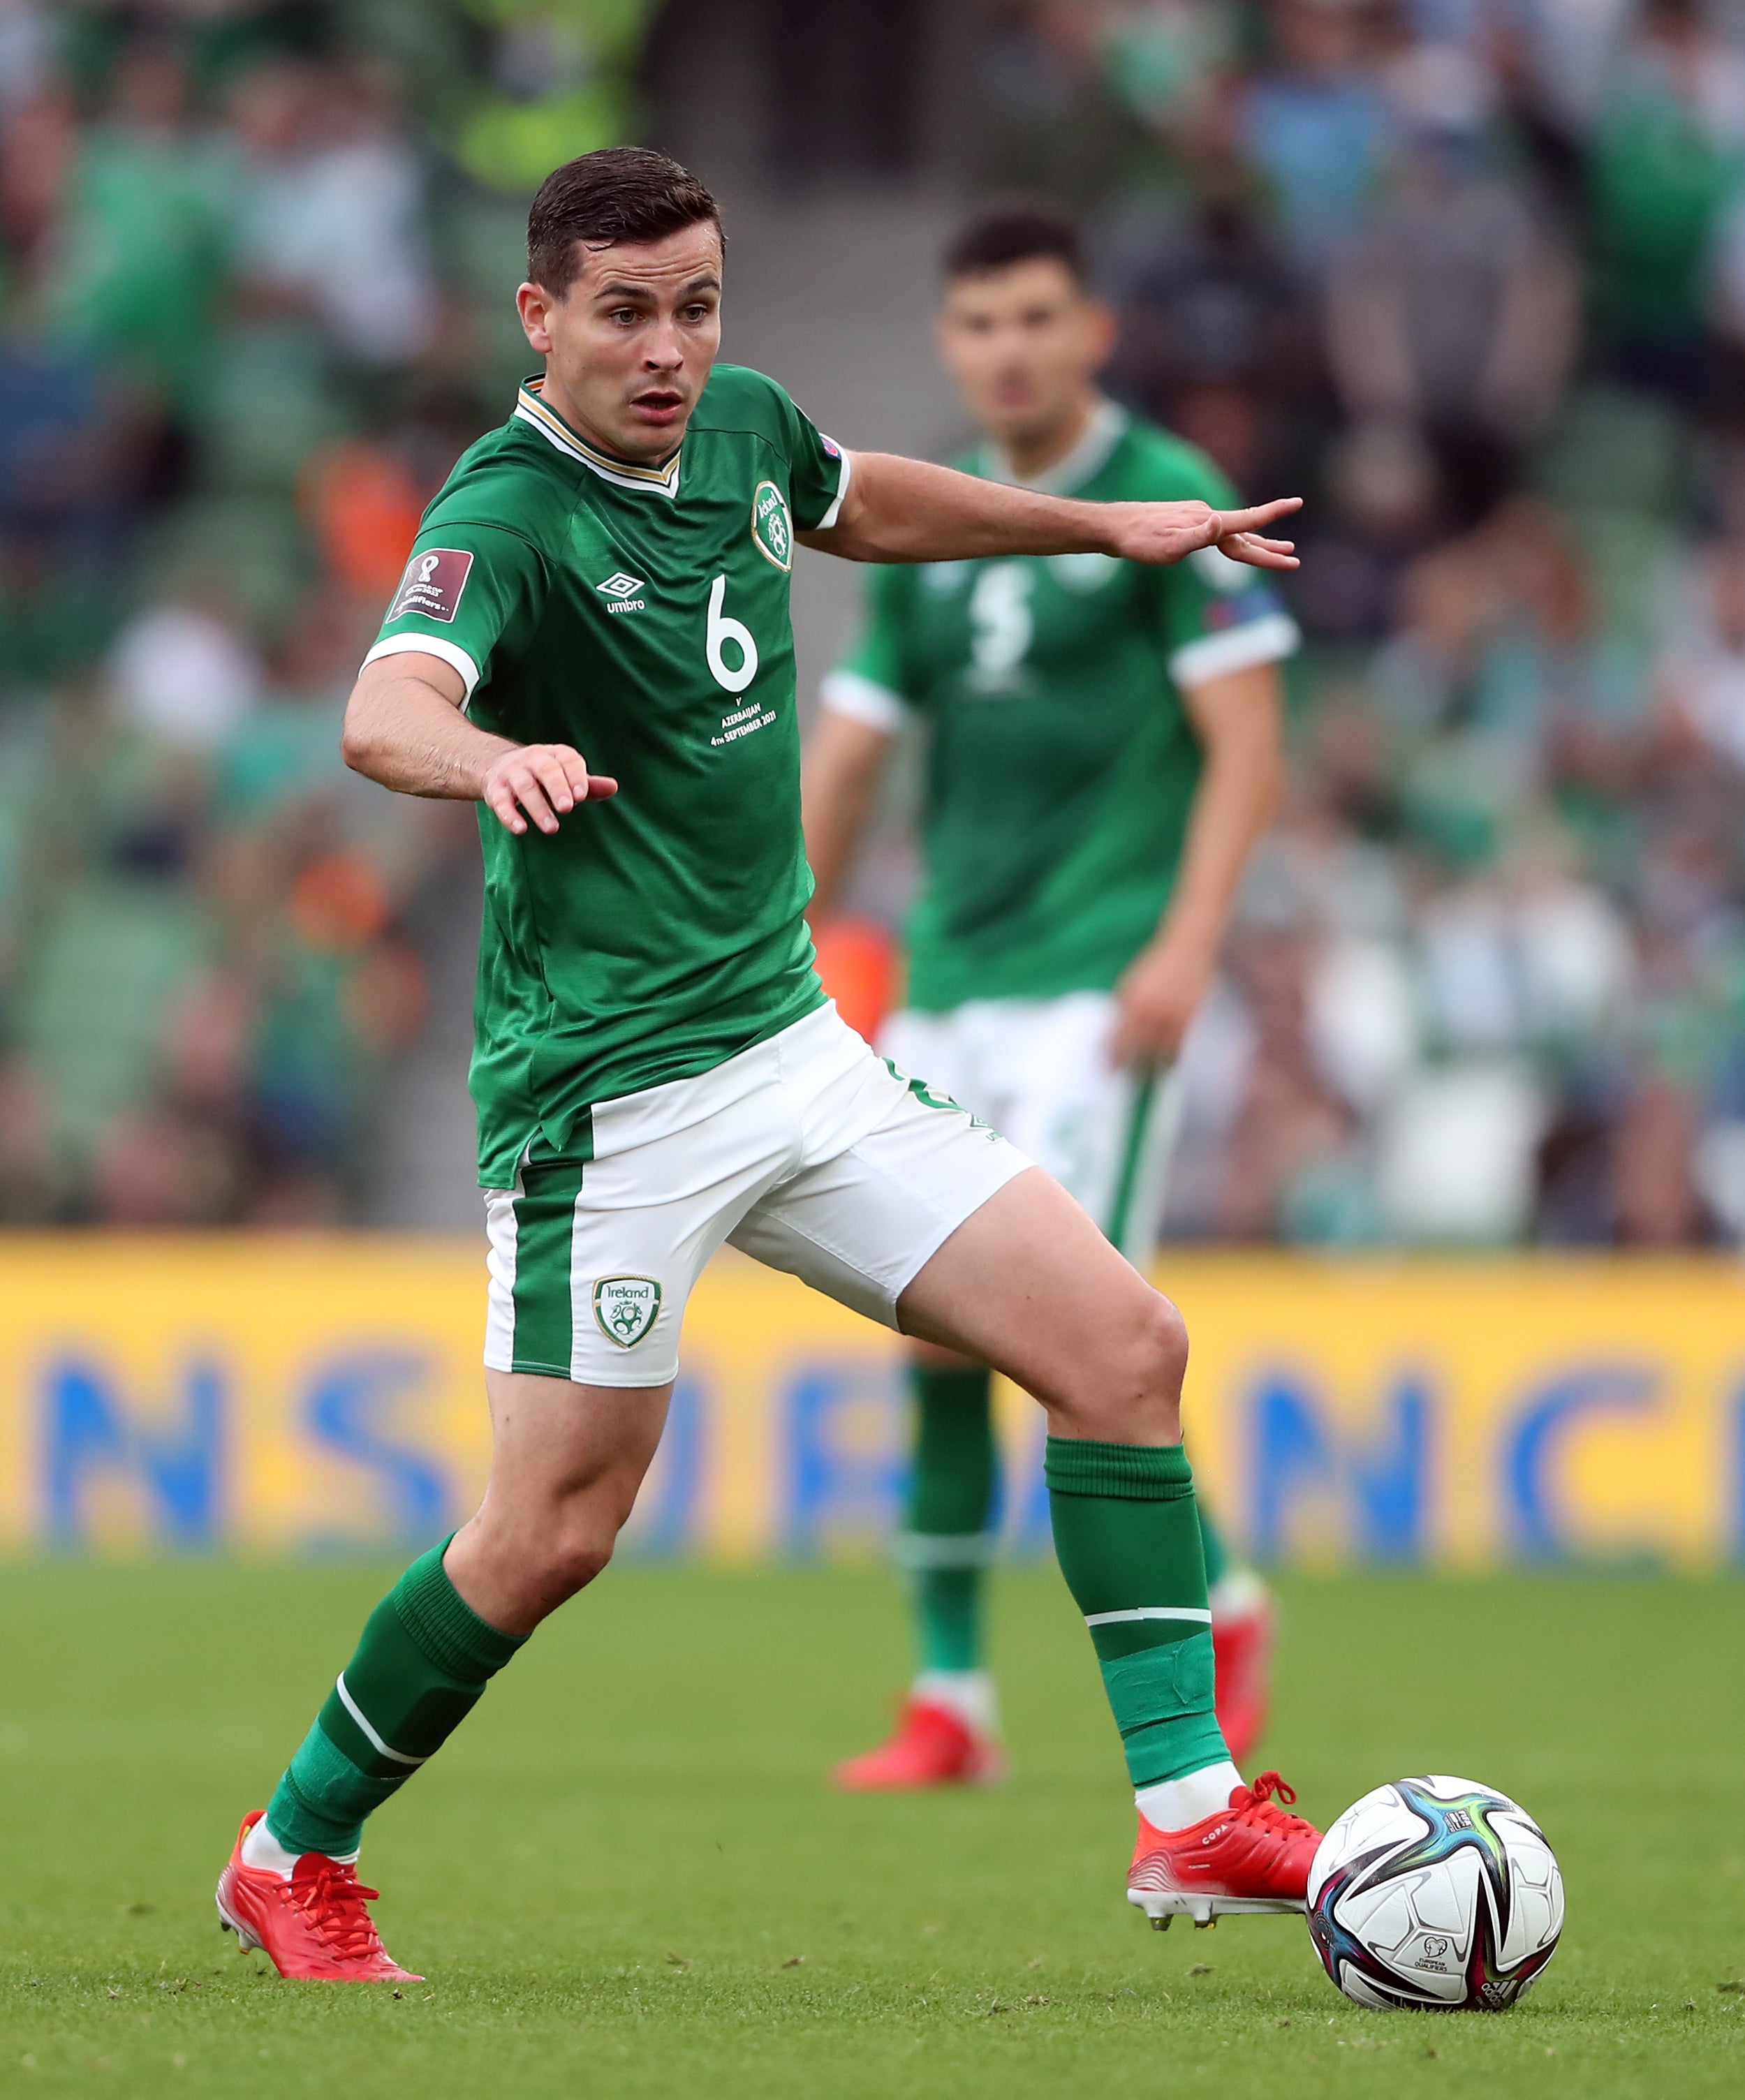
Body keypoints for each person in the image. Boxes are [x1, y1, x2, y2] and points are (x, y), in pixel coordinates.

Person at [212, 147, 1320, 1983]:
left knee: (1123, 1348)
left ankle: (1188, 1810)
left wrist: (1098, 528)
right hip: (607, 1099)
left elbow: (857, 499)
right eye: (628, 313)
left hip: (791, 1046)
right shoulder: (504, 513)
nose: (668, 351)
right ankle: (289, 1849)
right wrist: (482, 758)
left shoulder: (738, 428)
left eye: (697, 306)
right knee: (551, 1530)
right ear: (540, 318)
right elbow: (383, 699)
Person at [804, 202, 1294, 1794]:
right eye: (977, 324)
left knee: (1079, 1326)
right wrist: (781, 932)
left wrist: (1184, 942)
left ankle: (1218, 1606)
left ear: (1088, 328)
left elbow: (1245, 742)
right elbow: (857, 755)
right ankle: (951, 1697)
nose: (1005, 349)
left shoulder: (1166, 504)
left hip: (1098, 987)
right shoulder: (942, 522)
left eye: (1033, 318)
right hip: (947, 981)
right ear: (951, 343)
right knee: (936, 1333)